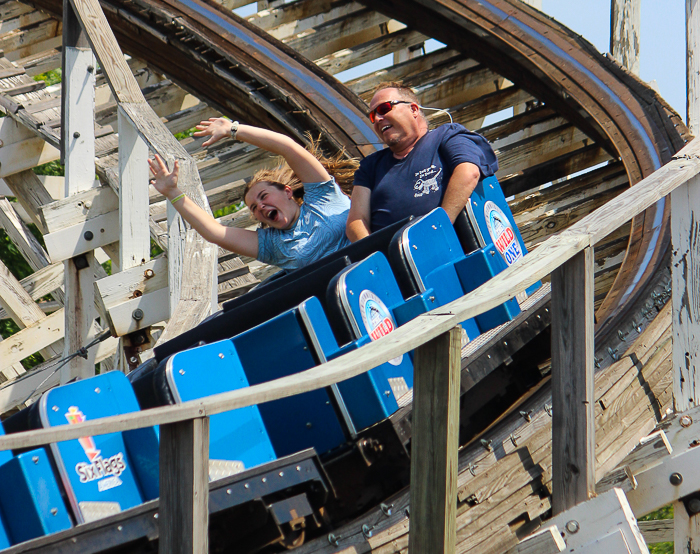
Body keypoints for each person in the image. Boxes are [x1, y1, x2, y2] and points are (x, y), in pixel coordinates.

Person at [149, 118, 357, 271]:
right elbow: (214, 232)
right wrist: (172, 192)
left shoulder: (323, 197)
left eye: (263, 196)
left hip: (371, 261)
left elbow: (289, 148)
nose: (260, 207)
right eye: (254, 208)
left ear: (287, 192)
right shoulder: (272, 244)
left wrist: (233, 129)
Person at [346, 82, 499, 241]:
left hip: (451, 245)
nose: (377, 119)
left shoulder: (446, 136)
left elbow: (468, 172)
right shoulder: (370, 166)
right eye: (372, 116)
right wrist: (378, 257)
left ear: (413, 109)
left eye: (384, 109)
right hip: (397, 260)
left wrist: (439, 229)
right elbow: (356, 221)